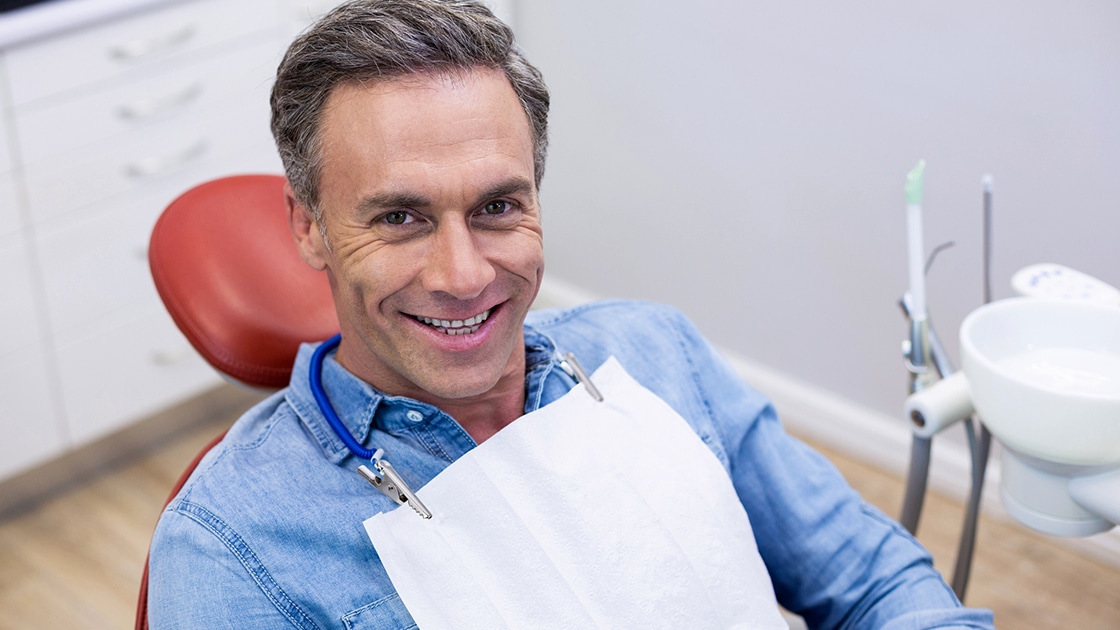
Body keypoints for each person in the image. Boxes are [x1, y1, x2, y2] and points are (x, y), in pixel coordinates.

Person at [148, 1, 995, 627]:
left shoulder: (655, 353)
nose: (463, 273)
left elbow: (874, 579)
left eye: (496, 207)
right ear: (309, 227)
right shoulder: (233, 550)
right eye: (399, 217)